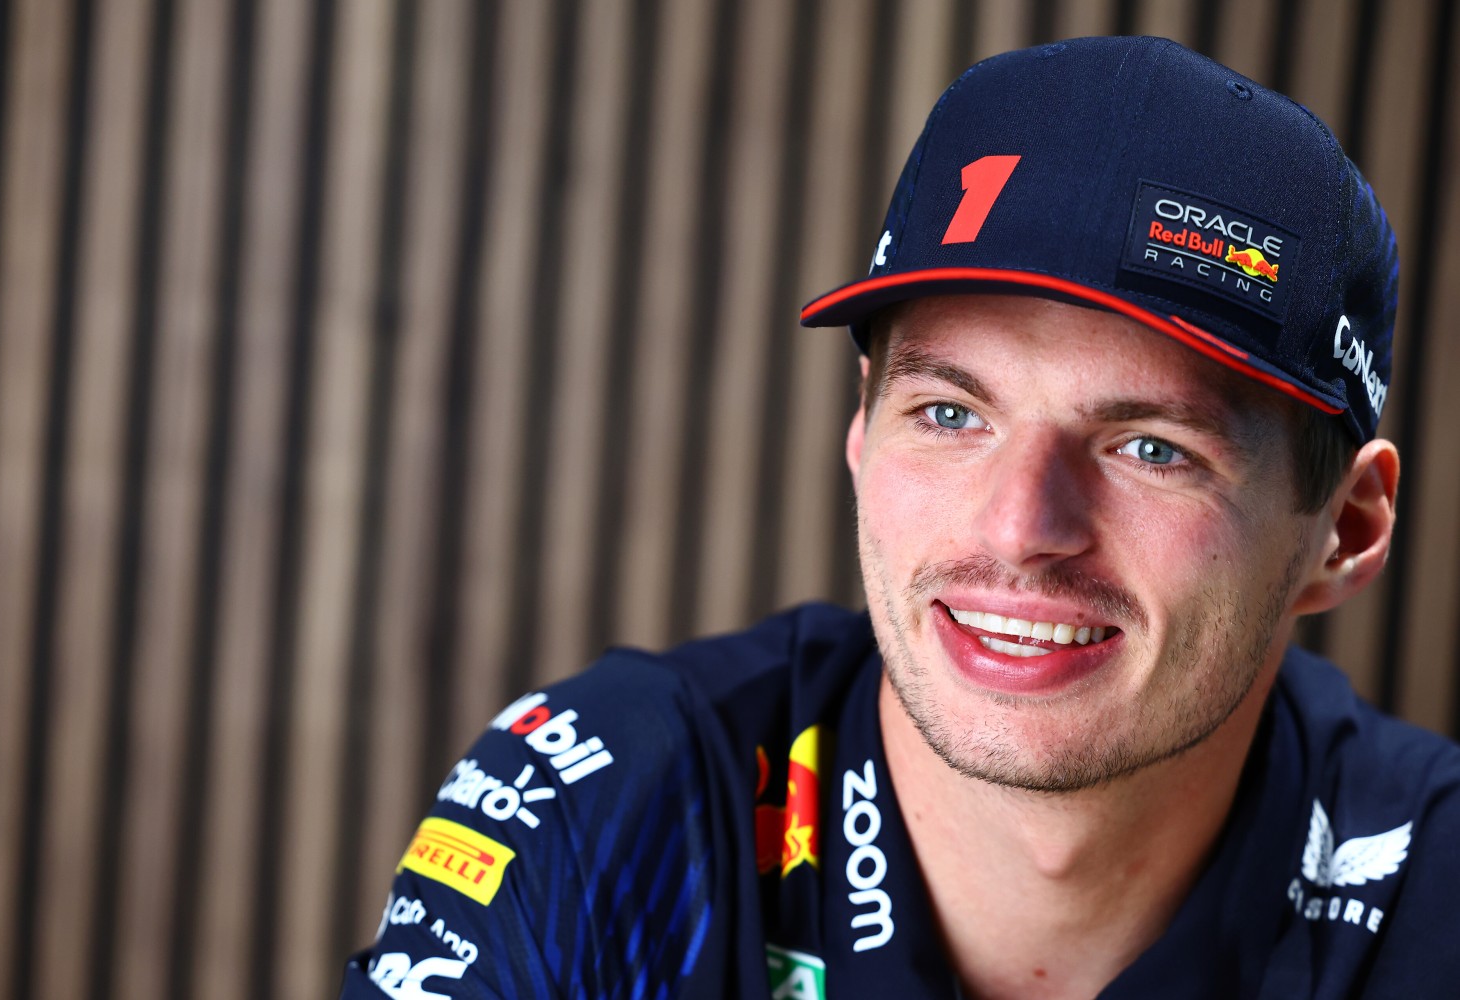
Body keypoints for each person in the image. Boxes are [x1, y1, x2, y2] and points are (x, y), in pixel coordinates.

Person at [340, 36, 1460, 999]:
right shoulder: (614, 803)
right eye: (949, 412)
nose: (1023, 526)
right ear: (862, 438)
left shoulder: (1432, 890)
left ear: (1347, 529)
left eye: (1151, 448)